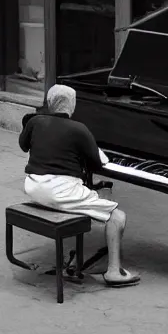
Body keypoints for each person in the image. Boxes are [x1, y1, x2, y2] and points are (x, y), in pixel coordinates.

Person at [19, 84, 140, 287]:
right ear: (72, 105)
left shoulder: (35, 122)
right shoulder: (79, 129)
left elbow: (23, 145)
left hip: (33, 186)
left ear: (49, 103)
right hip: (60, 192)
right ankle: (113, 272)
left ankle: (81, 253)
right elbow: (98, 163)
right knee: (118, 216)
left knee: (96, 191)